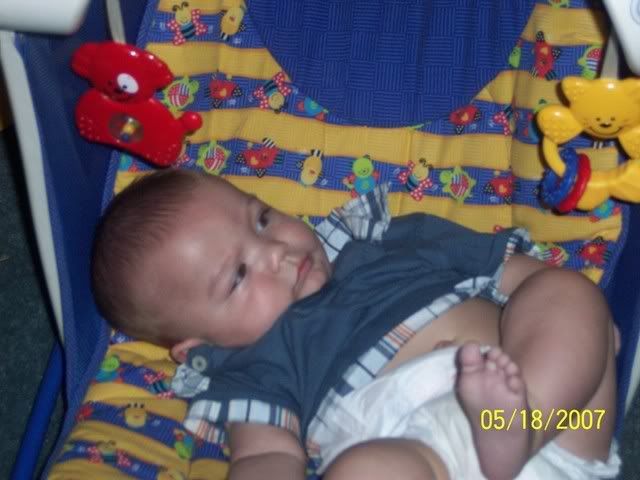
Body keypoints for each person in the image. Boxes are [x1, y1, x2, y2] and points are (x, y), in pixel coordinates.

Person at [91, 168, 621, 480]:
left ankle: (513, 429)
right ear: (196, 346)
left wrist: (578, 328)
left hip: (554, 421)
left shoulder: (382, 240)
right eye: (239, 275)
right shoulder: (253, 369)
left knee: (566, 291)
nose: (275, 252)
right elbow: (266, 457)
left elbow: (512, 271)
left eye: (262, 219)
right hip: (425, 459)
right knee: (363, 471)